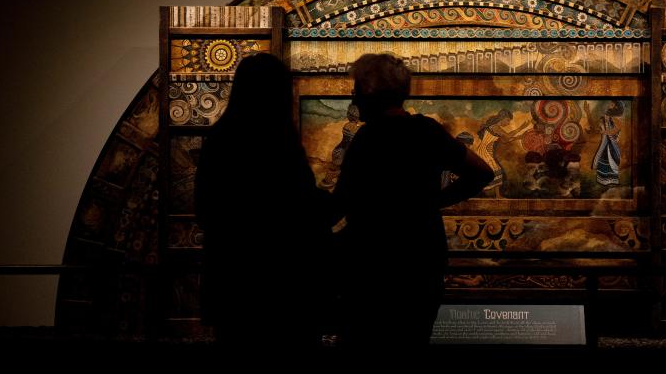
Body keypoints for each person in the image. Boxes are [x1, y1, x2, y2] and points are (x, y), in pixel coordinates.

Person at [332, 53, 493, 350]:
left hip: (373, 271)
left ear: (370, 91)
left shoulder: (368, 140)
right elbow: (482, 172)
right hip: (421, 264)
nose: (353, 96)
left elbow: (340, 203)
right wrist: (432, 202)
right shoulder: (426, 131)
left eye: (356, 88)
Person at [195, 53, 333, 350]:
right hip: (284, 286)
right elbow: (298, 208)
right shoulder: (280, 143)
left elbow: (205, 211)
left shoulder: (220, 139)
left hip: (234, 285)